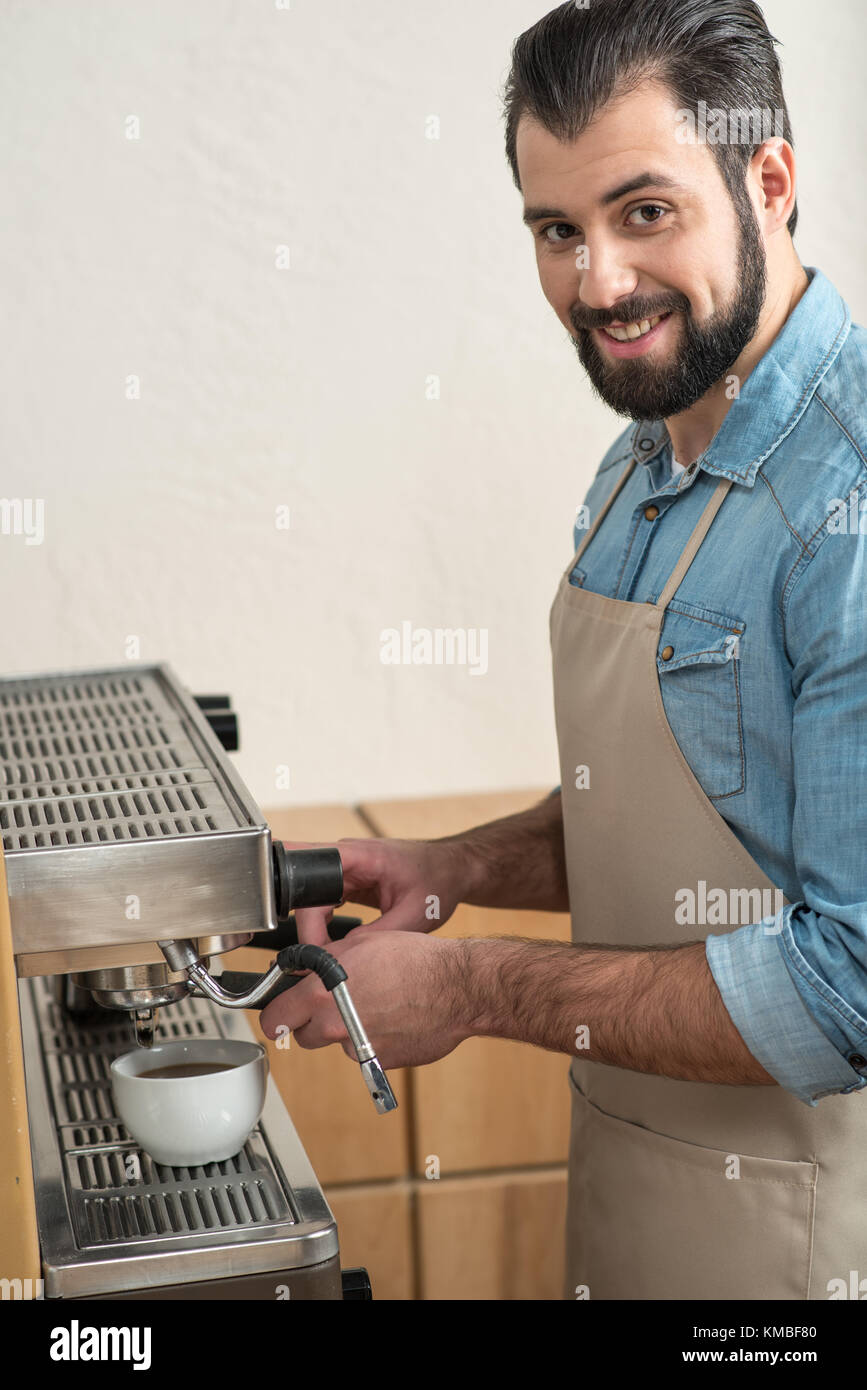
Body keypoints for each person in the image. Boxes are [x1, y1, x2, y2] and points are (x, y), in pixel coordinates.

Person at [262, 0, 867, 1300]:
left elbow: (852, 983)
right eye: (558, 230)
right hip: (641, 1206)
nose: (597, 285)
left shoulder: (850, 504)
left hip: (813, 1250)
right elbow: (688, 806)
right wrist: (457, 864)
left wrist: (477, 987)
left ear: (770, 180)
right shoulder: (643, 455)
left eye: (644, 211)